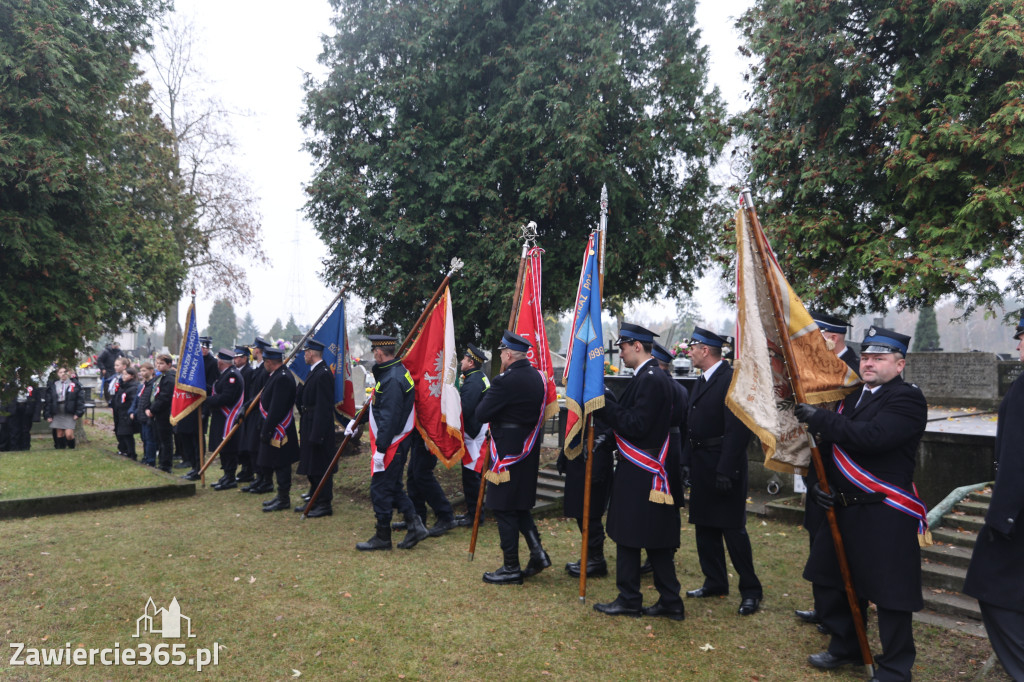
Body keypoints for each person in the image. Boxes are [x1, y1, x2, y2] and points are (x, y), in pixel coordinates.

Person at [794, 326, 928, 681]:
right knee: (830, 579)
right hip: (842, 506)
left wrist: (821, 418)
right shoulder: (850, 398)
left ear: (899, 364)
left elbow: (873, 437)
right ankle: (847, 646)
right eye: (865, 357)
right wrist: (815, 485)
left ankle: (896, 666)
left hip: (883, 509)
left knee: (890, 593)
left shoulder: (907, 399)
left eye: (879, 358)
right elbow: (824, 449)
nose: (868, 363)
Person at [593, 324, 684, 619]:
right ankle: (670, 600)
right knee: (653, 537)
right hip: (644, 469)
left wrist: (603, 405)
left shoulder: (650, 379)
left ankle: (630, 598)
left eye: (622, 347)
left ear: (636, 346)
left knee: (629, 534)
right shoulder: (650, 377)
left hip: (641, 470)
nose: (620, 353)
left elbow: (636, 425)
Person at [682, 327, 763, 616]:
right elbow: (692, 425)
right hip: (702, 464)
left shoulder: (730, 379)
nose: (689, 352)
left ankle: (751, 590)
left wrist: (726, 470)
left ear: (705, 350)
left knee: (732, 530)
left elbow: (738, 429)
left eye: (693, 348)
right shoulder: (703, 379)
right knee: (705, 528)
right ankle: (714, 581)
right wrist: (687, 462)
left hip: (723, 465)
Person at [963, 317, 1024, 681]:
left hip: (1016, 516)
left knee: (992, 589)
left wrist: (1002, 519)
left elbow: (1017, 458)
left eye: (1023, 339)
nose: (1018, 345)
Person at [797, 311, 861, 632]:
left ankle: (838, 613)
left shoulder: (854, 372)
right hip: (817, 464)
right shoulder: (818, 367)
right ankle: (822, 609)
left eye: (815, 336)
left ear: (831, 337)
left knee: (837, 544)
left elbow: (850, 423)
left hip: (841, 469)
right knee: (817, 536)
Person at [476, 330, 549, 585]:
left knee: (503, 506)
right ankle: (538, 554)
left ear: (508, 354)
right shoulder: (539, 377)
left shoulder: (504, 381)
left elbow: (482, 413)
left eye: (502, 353)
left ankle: (511, 567)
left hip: (507, 451)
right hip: (528, 448)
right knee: (519, 505)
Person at [350, 334, 428, 551]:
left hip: (393, 442)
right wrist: (357, 421)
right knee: (392, 486)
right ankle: (415, 525)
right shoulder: (394, 372)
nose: (373, 354)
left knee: (380, 488)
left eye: (374, 350)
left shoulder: (392, 378)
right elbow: (378, 404)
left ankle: (383, 536)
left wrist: (381, 449)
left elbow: (390, 417)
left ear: (378, 352)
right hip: (395, 440)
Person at [295, 339, 337, 518]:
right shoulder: (315, 371)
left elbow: (323, 407)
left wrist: (317, 434)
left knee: (320, 467)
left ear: (311, 353)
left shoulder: (323, 374)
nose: (304, 355)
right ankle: (314, 498)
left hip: (318, 428)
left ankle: (324, 503)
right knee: (311, 465)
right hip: (309, 423)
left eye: (305, 352)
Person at [258, 347, 300, 512]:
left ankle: (284, 498)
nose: (264, 365)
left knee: (282, 463)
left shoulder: (282, 377)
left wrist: (267, 430)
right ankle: (280, 495)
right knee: (277, 462)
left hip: (281, 429)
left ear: (269, 362)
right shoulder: (277, 375)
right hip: (276, 427)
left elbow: (276, 408)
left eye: (264, 362)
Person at [456, 343, 490, 527]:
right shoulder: (476, 377)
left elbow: (465, 408)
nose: (461, 361)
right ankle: (472, 512)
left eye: (464, 359)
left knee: (471, 477)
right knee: (471, 476)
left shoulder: (474, 381)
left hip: (475, 435)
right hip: (476, 432)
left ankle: (475, 516)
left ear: (471, 362)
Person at [206, 349, 245, 490]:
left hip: (228, 418)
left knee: (229, 448)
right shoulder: (226, 374)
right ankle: (226, 475)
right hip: (221, 418)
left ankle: (230, 477)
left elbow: (226, 397)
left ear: (221, 362)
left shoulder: (232, 375)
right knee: (223, 447)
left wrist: (206, 400)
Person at [242, 337, 275, 494]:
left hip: (260, 413)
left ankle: (266, 480)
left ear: (258, 350)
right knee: (253, 448)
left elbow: (261, 395)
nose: (252, 351)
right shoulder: (258, 369)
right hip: (252, 413)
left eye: (254, 349)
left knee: (259, 448)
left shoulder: (264, 371)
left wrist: (247, 405)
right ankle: (258, 477)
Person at [147, 355, 178, 474]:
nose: (158, 366)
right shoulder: (161, 377)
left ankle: (166, 464)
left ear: (169, 365)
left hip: (165, 413)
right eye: (157, 363)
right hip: (158, 413)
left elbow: (164, 397)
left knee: (166, 440)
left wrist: (153, 409)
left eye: (161, 363)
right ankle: (161, 461)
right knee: (160, 439)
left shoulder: (169, 379)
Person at [233, 346, 256, 483]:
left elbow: (248, 392)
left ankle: (248, 470)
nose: (235, 359)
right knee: (239, 442)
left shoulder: (249, 372)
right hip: (237, 409)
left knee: (245, 442)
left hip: (246, 409)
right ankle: (244, 469)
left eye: (238, 357)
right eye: (235, 357)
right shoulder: (237, 371)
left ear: (245, 358)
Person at [44, 367, 83, 449]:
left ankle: (72, 447)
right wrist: (48, 414)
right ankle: (61, 449)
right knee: (60, 433)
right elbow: (49, 400)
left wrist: (78, 413)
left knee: (69, 434)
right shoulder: (54, 384)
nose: (63, 374)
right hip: (58, 410)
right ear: (57, 374)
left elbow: (80, 399)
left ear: (68, 373)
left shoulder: (74, 384)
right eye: (60, 372)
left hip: (69, 410)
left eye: (64, 372)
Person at [131, 362, 158, 466]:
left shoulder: (154, 384)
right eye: (141, 371)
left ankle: (150, 460)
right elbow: (139, 400)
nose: (142, 373)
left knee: (150, 439)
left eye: (144, 371)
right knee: (145, 439)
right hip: (141, 416)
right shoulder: (143, 385)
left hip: (149, 416)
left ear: (151, 371)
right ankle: (146, 456)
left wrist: (150, 410)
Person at [113, 365, 140, 460]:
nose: (123, 376)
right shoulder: (123, 386)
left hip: (127, 413)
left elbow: (133, 400)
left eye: (126, 374)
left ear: (132, 376)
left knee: (127, 434)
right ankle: (125, 450)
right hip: (121, 413)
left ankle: (132, 453)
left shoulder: (133, 387)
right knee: (122, 433)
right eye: (123, 374)